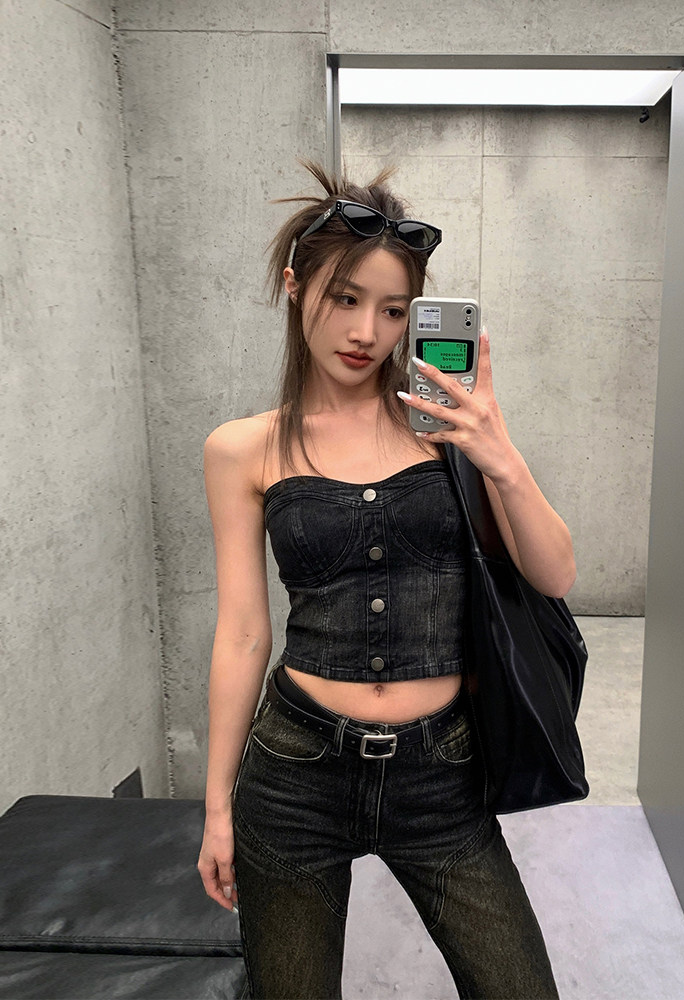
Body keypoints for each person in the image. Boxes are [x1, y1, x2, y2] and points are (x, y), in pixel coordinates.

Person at [196, 160, 576, 1000]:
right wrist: (217, 806)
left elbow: (554, 574)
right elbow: (244, 634)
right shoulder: (241, 448)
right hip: (295, 771)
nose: (367, 330)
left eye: (394, 309)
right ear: (295, 287)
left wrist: (499, 455)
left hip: (442, 771)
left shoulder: (447, 428)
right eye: (345, 297)